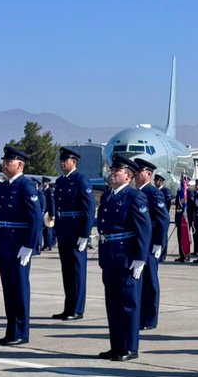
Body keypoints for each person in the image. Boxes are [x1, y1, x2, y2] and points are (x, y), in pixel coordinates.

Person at [95, 154, 152, 361]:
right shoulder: (109, 196)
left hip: (126, 256)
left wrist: (140, 258)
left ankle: (130, 347)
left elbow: (143, 229)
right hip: (110, 255)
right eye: (112, 170)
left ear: (128, 176)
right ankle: (116, 345)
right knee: (113, 303)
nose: (112, 173)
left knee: (128, 303)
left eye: (116, 171)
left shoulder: (134, 196)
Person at [0, 146, 43, 345]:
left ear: (19, 164)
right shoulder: (3, 187)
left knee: (19, 289)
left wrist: (29, 246)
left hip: (19, 245)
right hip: (5, 244)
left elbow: (36, 218)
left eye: (8, 162)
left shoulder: (26, 186)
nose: (4, 165)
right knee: (9, 289)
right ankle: (11, 330)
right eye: (4, 161)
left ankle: (21, 332)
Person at [51, 147, 95, 321]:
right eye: (61, 160)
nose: (62, 163)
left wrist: (85, 234)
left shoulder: (81, 181)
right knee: (67, 270)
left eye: (66, 160)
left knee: (77, 270)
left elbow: (89, 209)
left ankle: (77, 309)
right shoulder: (61, 182)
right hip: (64, 230)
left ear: (74, 163)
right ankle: (68, 307)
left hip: (76, 230)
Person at [133, 158, 169, 331]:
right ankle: (140, 315)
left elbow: (163, 220)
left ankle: (150, 318)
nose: (136, 175)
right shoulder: (135, 192)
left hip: (150, 243)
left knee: (150, 281)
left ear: (148, 174)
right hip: (138, 242)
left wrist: (158, 243)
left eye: (139, 172)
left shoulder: (153, 193)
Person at [40, 178, 56, 251]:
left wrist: (52, 214)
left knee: (48, 230)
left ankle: (49, 245)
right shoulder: (43, 191)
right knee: (44, 230)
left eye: (45, 182)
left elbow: (52, 203)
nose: (43, 184)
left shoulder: (50, 191)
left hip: (48, 213)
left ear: (47, 183)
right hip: (44, 213)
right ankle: (45, 244)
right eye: (43, 182)